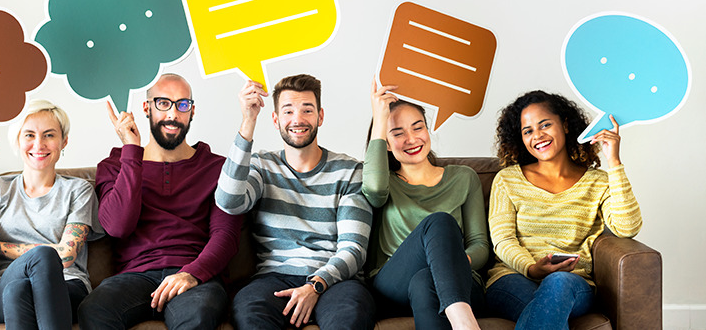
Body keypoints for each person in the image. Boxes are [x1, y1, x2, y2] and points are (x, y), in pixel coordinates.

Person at [77, 74, 242, 330]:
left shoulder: (218, 168)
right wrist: (131, 151)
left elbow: (226, 236)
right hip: (135, 276)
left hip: (194, 277)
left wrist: (192, 273)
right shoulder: (114, 165)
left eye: (182, 104)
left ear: (192, 111)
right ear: (147, 108)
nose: (173, 114)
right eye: (163, 103)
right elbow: (118, 227)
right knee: (94, 309)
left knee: (198, 317)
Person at [216, 74, 376, 330]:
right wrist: (248, 120)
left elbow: (353, 249)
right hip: (273, 278)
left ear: (320, 117)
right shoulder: (262, 166)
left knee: (350, 316)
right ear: (275, 119)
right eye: (288, 111)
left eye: (307, 110)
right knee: (248, 314)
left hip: (335, 281)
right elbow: (229, 201)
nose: (298, 119)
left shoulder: (349, 171)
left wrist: (315, 285)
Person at [485, 90, 642, 329]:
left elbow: (627, 227)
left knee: (557, 286)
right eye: (528, 131)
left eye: (545, 125)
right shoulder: (507, 180)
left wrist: (614, 161)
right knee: (549, 310)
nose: (538, 135)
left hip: (571, 283)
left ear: (565, 125)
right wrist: (532, 269)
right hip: (512, 279)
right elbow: (503, 240)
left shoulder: (598, 182)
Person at [0, 100, 101, 329]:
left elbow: (66, 256)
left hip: (67, 285)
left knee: (34, 270)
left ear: (64, 141)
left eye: (49, 135)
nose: (39, 144)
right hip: (8, 283)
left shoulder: (79, 190)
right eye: (29, 135)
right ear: (18, 141)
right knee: (17, 286)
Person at [363, 83, 487, 330]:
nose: (411, 139)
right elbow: (374, 190)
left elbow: (480, 245)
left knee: (425, 279)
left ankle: (462, 319)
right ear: (386, 142)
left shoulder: (464, 177)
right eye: (397, 133)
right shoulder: (384, 182)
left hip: (458, 281)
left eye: (418, 127)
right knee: (439, 221)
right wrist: (379, 118)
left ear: (427, 130)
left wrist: (449, 262)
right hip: (394, 285)